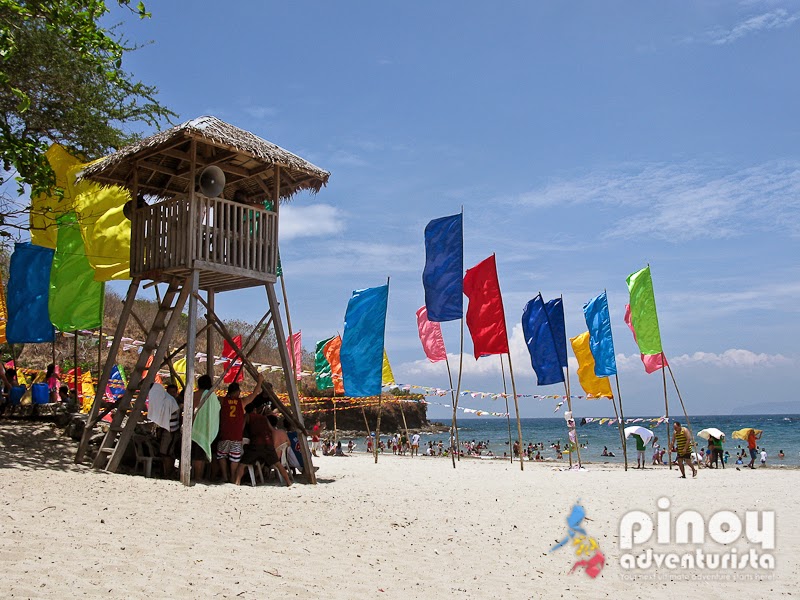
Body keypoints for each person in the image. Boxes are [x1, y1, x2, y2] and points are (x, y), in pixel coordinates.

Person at [216, 375, 264, 484]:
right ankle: (233, 477)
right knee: (234, 459)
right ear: (237, 391)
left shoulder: (222, 400)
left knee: (221, 455)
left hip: (224, 434)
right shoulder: (242, 402)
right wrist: (260, 382)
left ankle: (224, 476)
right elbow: (254, 394)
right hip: (237, 436)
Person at [237, 404, 290, 486]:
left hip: (256, 443)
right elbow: (272, 430)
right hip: (268, 443)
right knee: (278, 464)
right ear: (254, 409)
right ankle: (288, 482)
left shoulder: (247, 416)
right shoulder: (264, 418)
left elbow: (241, 429)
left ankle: (237, 482)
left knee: (242, 464)